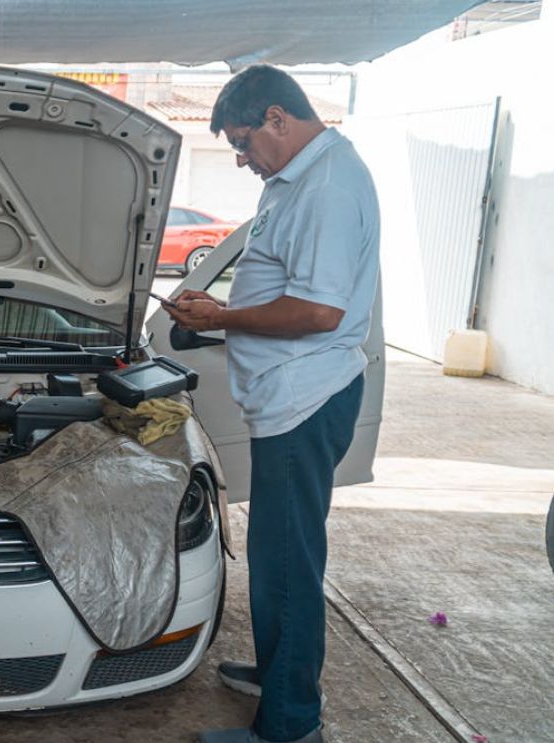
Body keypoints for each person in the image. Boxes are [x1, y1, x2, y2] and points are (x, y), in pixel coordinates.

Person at [166, 65, 380, 743]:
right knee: (277, 551)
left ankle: (290, 724)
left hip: (304, 397)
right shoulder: (296, 179)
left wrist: (221, 317)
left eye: (242, 141)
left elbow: (318, 310)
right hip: (288, 398)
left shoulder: (326, 186)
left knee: (288, 560)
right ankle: (277, 671)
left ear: (276, 119)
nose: (239, 157)